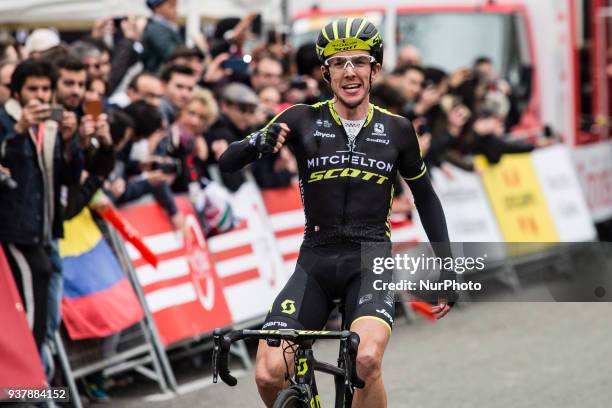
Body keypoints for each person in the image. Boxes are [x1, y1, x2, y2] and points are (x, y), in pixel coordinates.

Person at [219, 18, 455, 408]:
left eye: (359, 62)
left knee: (365, 360)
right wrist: (257, 143)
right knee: (267, 372)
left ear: (374, 70)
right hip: (316, 258)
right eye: (339, 63)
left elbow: (426, 198)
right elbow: (229, 161)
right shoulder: (299, 118)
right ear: (325, 72)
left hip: (370, 259)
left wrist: (448, 269)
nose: (349, 71)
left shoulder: (398, 130)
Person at [0, 59, 83, 355]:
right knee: (30, 317)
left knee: (47, 318)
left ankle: (41, 382)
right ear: (17, 91)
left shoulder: (49, 126)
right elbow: (6, 166)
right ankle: (34, 389)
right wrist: (20, 130)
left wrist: (71, 140)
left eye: (46, 89)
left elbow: (69, 177)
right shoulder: (6, 121)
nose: (40, 96)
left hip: (45, 228)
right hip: (14, 231)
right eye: (32, 89)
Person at [142, 0, 181, 73]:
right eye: (172, 5)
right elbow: (173, 54)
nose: (176, 10)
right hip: (156, 79)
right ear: (157, 8)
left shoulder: (163, 27)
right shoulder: (155, 29)